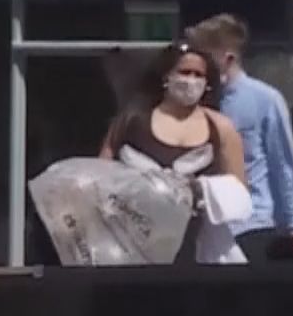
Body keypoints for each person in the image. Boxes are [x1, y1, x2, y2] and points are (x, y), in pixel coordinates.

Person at [100, 42, 248, 264]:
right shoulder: (131, 121)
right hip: (134, 245)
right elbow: (100, 177)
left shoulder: (221, 128)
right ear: (166, 76)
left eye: (198, 75)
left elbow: (240, 193)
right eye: (184, 72)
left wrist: (201, 190)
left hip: (196, 246)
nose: (191, 80)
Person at [187, 14, 293, 261]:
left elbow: (285, 165)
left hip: (252, 226)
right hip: (206, 229)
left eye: (205, 59)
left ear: (227, 58)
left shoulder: (264, 100)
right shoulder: (195, 104)